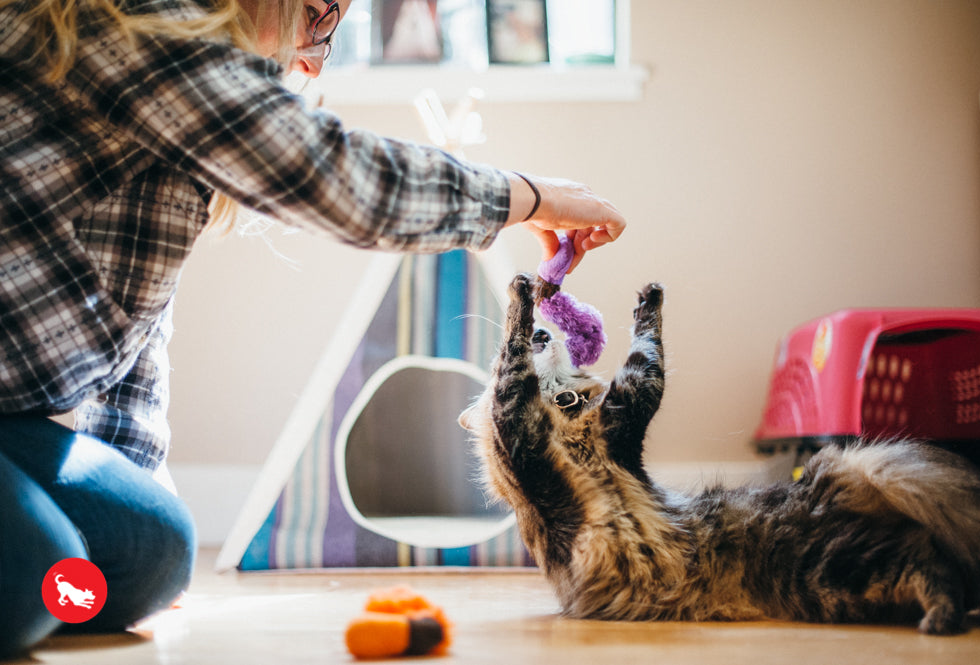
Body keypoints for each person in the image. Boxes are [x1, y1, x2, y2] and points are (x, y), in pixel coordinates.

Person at [0, 0, 625, 657]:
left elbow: (138, 320)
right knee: (33, 571)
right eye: (317, 17)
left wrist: (130, 482)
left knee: (154, 551)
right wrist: (524, 195)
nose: (310, 58)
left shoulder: (182, 116)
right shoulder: (140, 21)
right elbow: (343, 179)